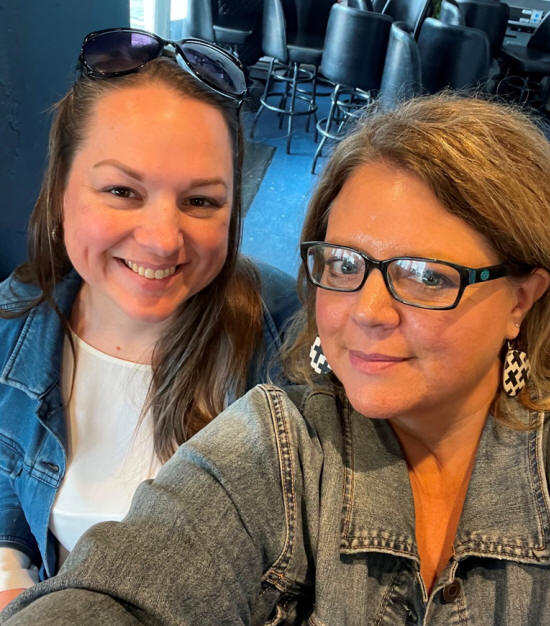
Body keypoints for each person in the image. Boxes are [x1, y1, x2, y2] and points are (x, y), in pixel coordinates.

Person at [3, 93, 550, 625]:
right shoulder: (274, 444)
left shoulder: (275, 325)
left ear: (521, 299)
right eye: (343, 264)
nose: (368, 312)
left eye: (427, 275)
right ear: (59, 190)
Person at [0, 29, 299, 610]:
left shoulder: (288, 336)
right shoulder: (17, 320)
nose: (163, 241)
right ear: (61, 190)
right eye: (122, 190)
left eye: (201, 201)